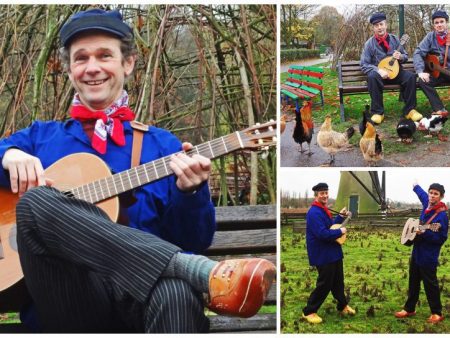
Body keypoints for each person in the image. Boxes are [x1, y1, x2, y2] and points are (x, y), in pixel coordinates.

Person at [0, 9, 275, 333]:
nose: (92, 68)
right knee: (36, 202)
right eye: (80, 58)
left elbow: (194, 238)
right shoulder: (39, 137)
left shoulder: (164, 147)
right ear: (70, 69)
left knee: (176, 292)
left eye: (104, 55)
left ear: (127, 63)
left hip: (143, 306)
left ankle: (184, 272)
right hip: (68, 302)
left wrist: (191, 193)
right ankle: (195, 271)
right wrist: (9, 154)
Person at [302, 183, 355, 324]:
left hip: (333, 252)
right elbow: (322, 234)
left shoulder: (323, 209)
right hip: (323, 254)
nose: (325, 195)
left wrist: (340, 217)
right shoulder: (314, 212)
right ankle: (309, 311)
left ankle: (342, 305)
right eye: (321, 193)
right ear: (316, 195)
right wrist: (340, 232)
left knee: (338, 282)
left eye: (326, 192)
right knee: (324, 284)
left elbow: (329, 226)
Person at [395, 182, 448, 324]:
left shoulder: (441, 216)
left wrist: (424, 233)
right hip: (417, 253)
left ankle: (436, 313)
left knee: (430, 284)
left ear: (441, 197)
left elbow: (441, 238)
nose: (432, 195)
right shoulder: (427, 204)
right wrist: (415, 186)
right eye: (431, 192)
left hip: (428, 256)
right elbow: (423, 196)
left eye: (435, 194)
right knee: (413, 282)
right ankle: (409, 308)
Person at [360, 12, 422, 125]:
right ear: (373, 28)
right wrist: (378, 70)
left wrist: (401, 57)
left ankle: (410, 110)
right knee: (372, 76)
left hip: (396, 72)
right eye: (376, 25)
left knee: (410, 77)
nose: (379, 27)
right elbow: (364, 64)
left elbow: (405, 56)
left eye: (381, 24)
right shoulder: (369, 44)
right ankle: (378, 113)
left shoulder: (395, 39)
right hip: (380, 76)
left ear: (386, 25)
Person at [413, 10, 450, 116]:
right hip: (437, 73)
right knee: (423, 80)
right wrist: (420, 71)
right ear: (433, 25)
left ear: (446, 23)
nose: (439, 25)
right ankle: (439, 109)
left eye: (442, 22)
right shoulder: (430, 37)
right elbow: (418, 53)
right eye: (436, 23)